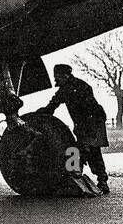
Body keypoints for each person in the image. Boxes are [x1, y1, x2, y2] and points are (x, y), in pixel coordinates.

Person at [39, 64, 110, 194]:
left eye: (58, 78)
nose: (56, 81)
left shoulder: (80, 87)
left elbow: (89, 109)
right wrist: (41, 113)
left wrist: (84, 131)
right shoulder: (66, 88)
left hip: (93, 121)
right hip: (86, 123)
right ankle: (97, 180)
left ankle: (77, 176)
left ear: (64, 76)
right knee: (90, 151)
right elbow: (52, 106)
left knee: (85, 150)